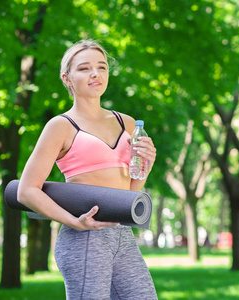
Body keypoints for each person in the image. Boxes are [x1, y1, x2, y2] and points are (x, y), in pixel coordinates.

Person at [17, 39, 158, 300]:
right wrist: (74, 222)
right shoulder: (60, 126)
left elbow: (128, 190)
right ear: (67, 78)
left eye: (101, 67)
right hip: (84, 238)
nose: (95, 74)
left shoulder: (126, 123)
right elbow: (26, 191)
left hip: (122, 236)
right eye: (84, 68)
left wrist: (145, 166)